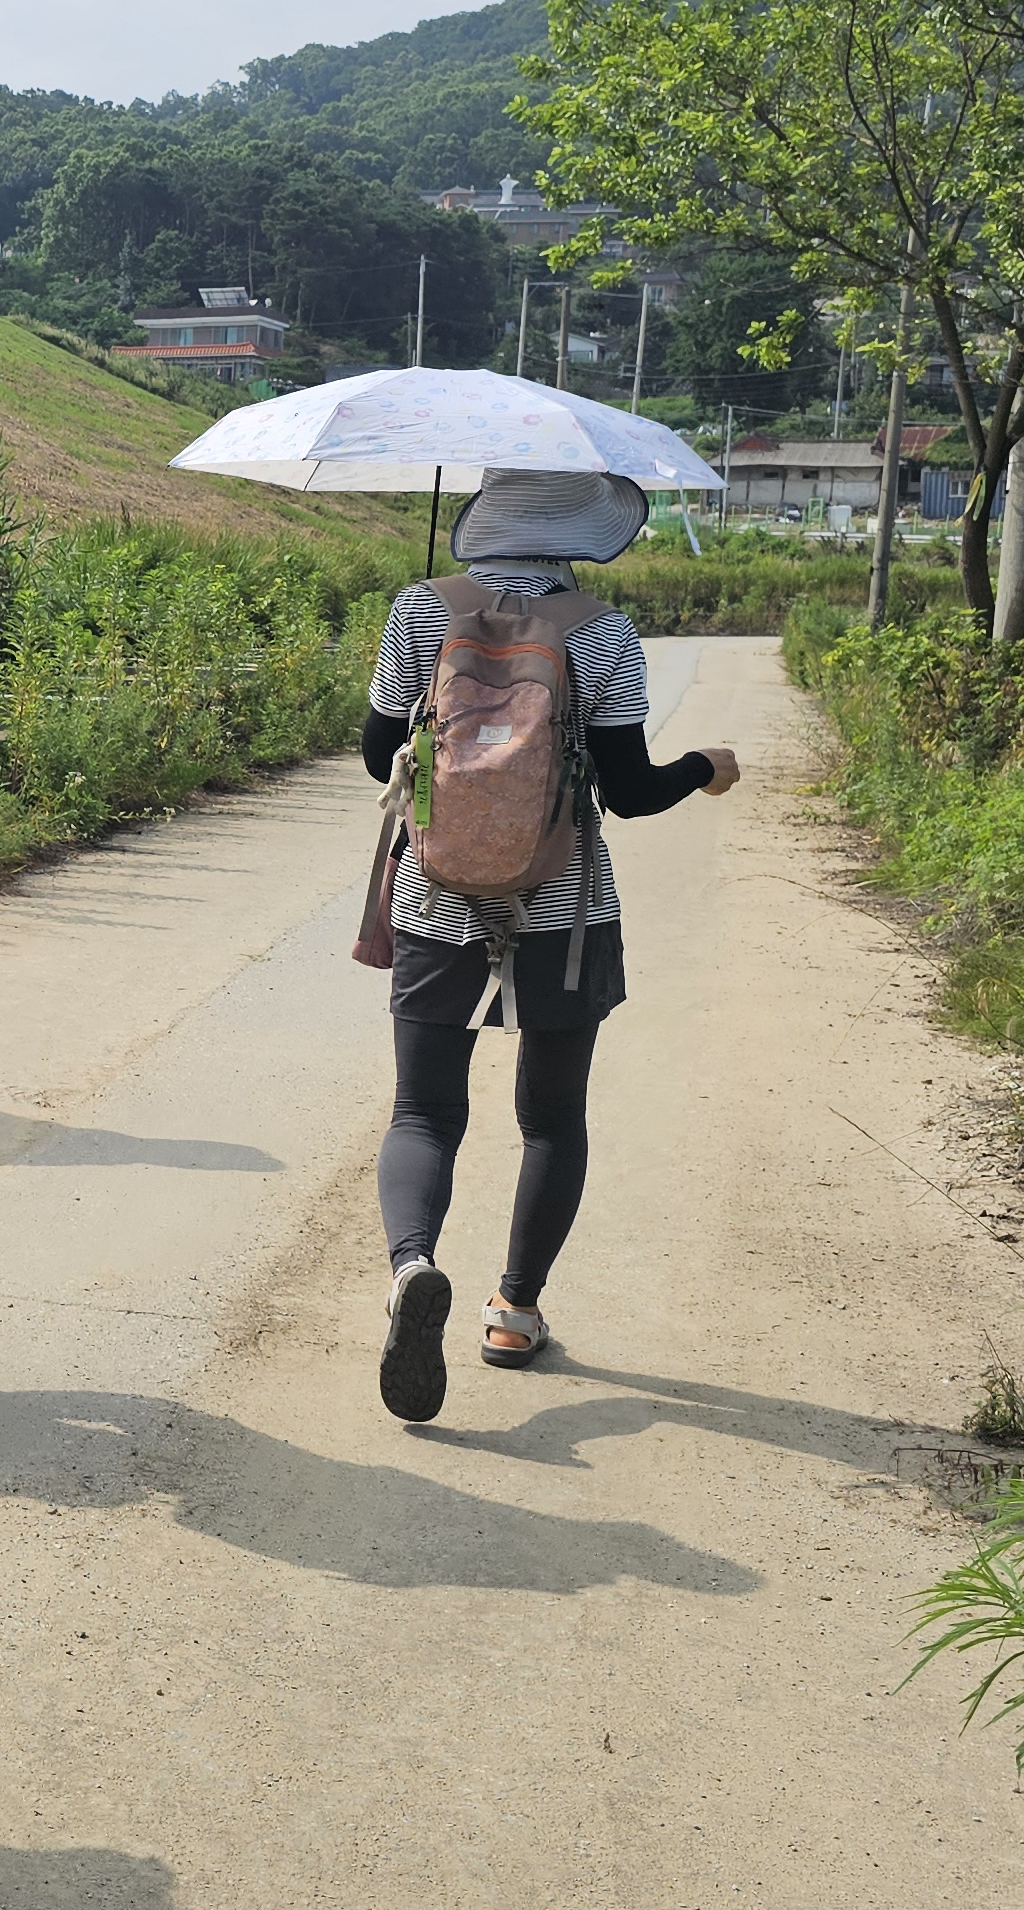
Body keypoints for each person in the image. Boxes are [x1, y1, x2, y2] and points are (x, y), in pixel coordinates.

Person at [358, 468, 736, 1425]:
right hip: (563, 908)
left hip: (437, 895)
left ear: (482, 521)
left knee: (423, 1111)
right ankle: (514, 1314)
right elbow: (629, 792)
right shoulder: (601, 631)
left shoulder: (420, 608)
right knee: (552, 1118)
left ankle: (412, 1267)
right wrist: (704, 766)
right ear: (580, 533)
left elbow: (373, 754)